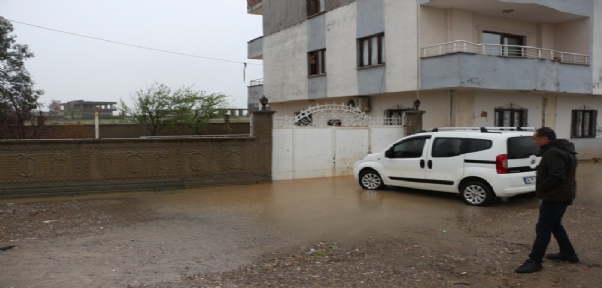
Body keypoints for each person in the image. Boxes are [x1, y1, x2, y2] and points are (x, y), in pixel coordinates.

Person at [515, 127, 579, 273]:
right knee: (556, 224)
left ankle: (535, 261)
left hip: (555, 197)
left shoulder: (553, 153)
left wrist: (542, 189)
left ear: (545, 139)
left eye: (535, 139)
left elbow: (557, 175)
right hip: (564, 195)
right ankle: (568, 254)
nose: (534, 142)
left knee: (543, 228)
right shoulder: (564, 149)